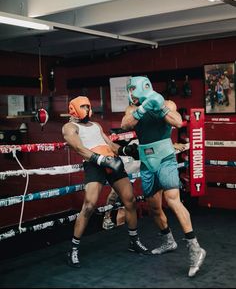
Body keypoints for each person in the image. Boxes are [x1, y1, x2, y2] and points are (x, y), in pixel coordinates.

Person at [120, 76, 206, 278]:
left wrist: (157, 107)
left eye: (133, 89)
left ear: (143, 87)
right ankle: (168, 241)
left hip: (165, 158)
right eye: (129, 90)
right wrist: (143, 108)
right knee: (154, 207)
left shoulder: (166, 102)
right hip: (147, 162)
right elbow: (125, 125)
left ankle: (195, 248)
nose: (131, 93)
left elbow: (178, 121)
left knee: (173, 200)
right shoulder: (132, 109)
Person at [62, 95, 150, 268]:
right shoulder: (69, 127)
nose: (89, 110)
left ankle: (133, 241)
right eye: (85, 107)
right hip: (94, 164)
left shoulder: (96, 125)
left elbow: (111, 145)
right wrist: (101, 160)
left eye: (89, 106)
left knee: (130, 200)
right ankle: (73, 248)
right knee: (89, 205)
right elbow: (79, 148)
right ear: (75, 109)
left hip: (112, 161)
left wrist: (127, 150)